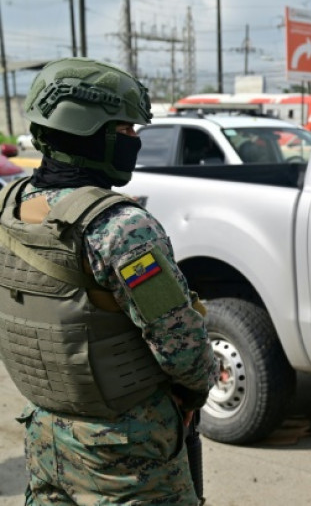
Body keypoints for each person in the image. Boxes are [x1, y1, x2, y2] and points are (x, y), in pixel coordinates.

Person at [0, 57, 217, 505]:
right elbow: (182, 347)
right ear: (89, 133)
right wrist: (195, 391)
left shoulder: (8, 207)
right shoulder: (120, 228)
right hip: (123, 454)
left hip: (45, 437)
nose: (135, 141)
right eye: (125, 131)